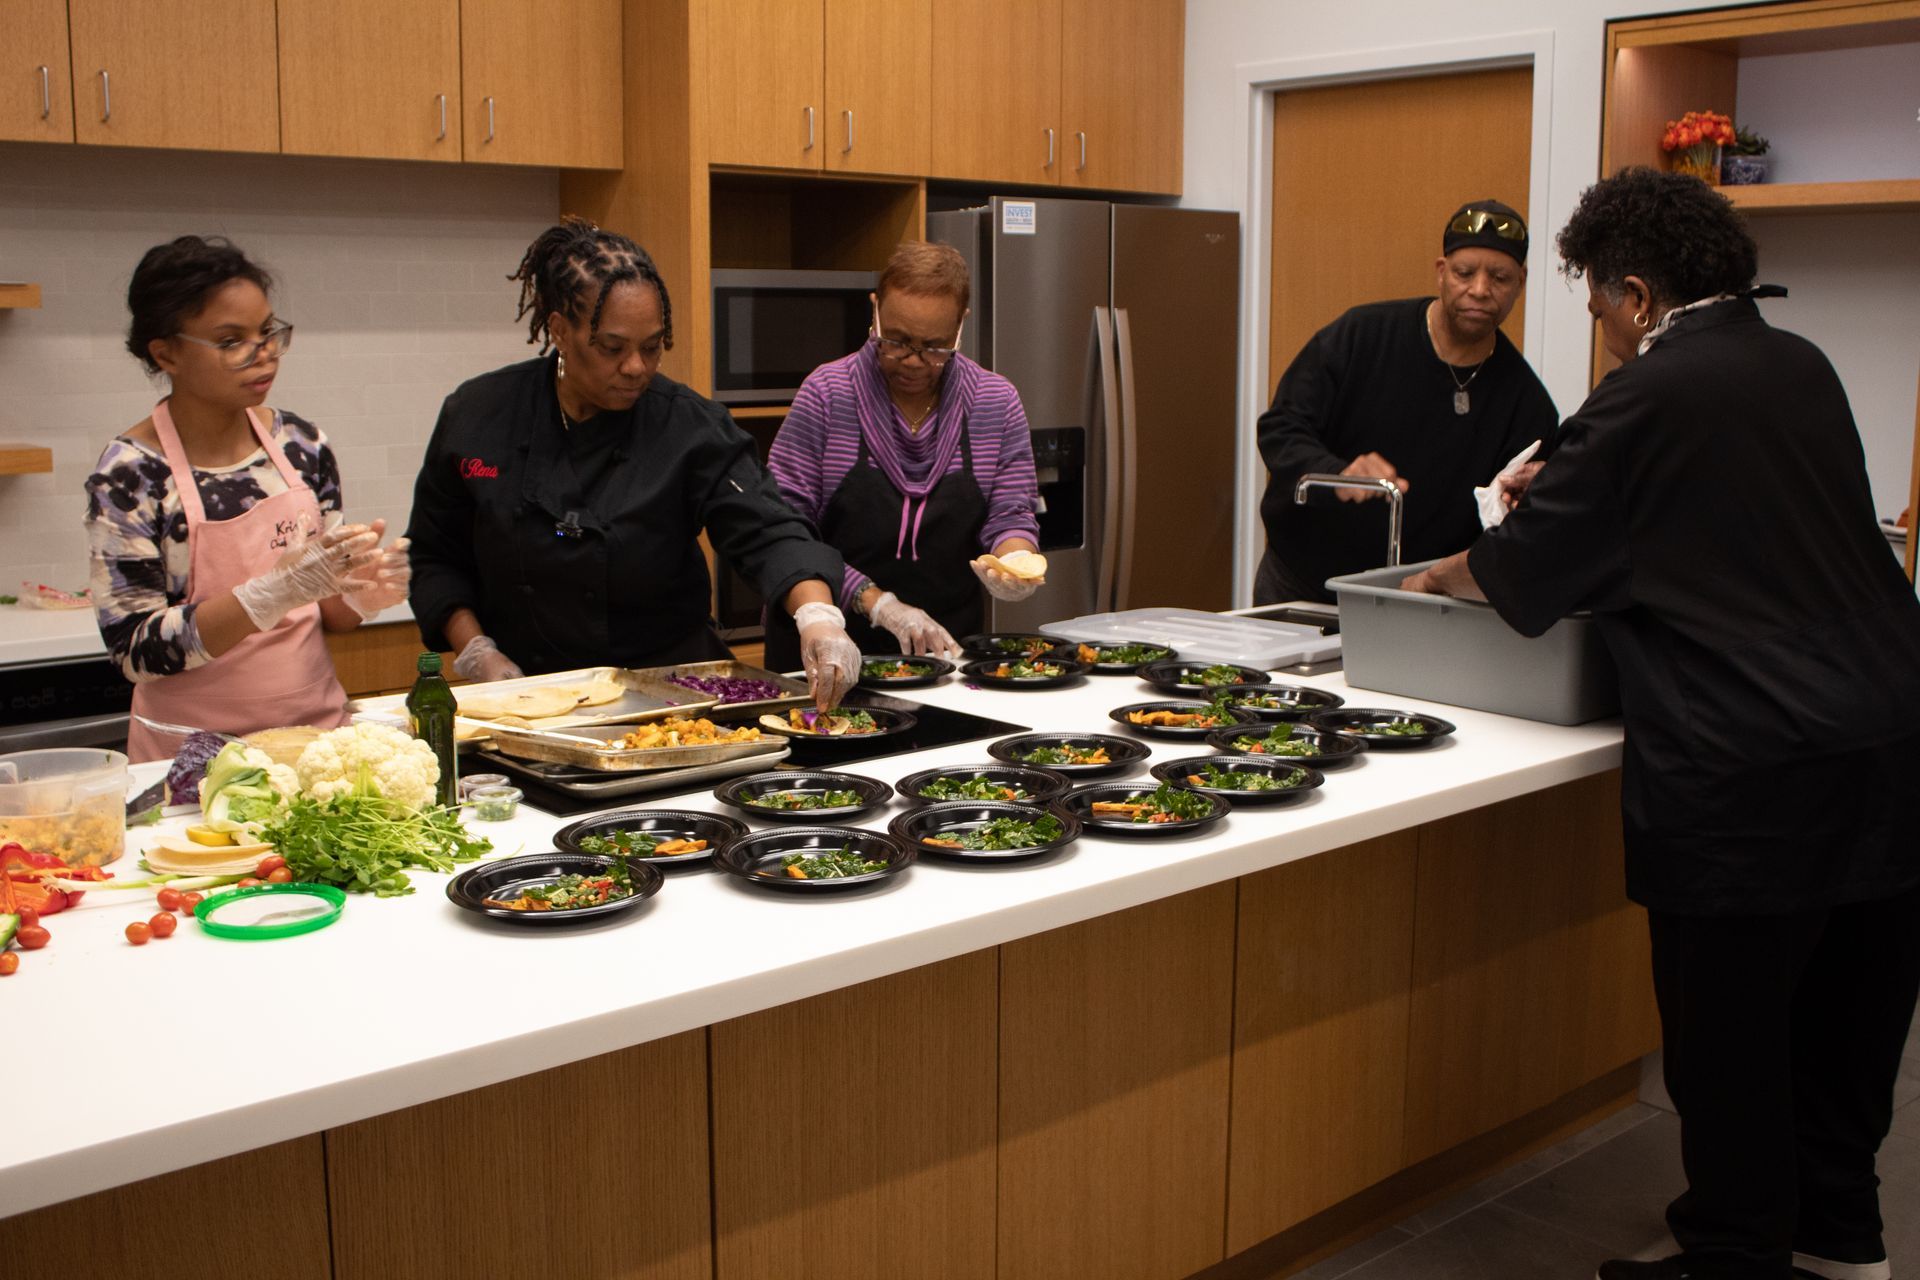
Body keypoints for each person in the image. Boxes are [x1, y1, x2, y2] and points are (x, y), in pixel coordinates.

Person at [1400, 168, 1920, 1280]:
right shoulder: (1798, 360)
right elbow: (1717, 518)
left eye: (1597, 302)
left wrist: (1437, 576)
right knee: (1844, 1023)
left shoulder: (1647, 391)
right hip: (1887, 734)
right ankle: (1841, 1241)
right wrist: (1583, 478)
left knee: (1731, 1040)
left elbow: (1523, 570)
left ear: (1636, 294)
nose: (1601, 326)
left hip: (1752, 767)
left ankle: (1734, 1255)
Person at [406, 217, 860, 708]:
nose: (636, 367)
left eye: (652, 347)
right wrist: (476, 649)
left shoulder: (689, 426)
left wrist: (818, 618)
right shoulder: (479, 415)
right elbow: (435, 556)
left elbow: (769, 531)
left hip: (671, 694)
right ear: (560, 331)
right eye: (612, 347)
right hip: (529, 694)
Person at [86, 236, 409, 763]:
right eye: (231, 340)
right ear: (166, 353)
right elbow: (135, 652)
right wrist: (267, 595)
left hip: (316, 746)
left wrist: (362, 595)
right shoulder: (131, 474)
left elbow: (330, 612)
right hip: (191, 762)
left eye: (268, 332)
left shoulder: (302, 446)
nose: (264, 354)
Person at [1255, 199, 1558, 603]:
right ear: (1441, 272)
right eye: (1465, 273)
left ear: (1521, 282)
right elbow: (1281, 427)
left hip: (1421, 603)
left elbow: (1513, 529)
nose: (1480, 290)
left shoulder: (1528, 404)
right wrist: (1338, 472)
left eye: (1499, 278)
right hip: (1301, 581)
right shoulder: (1361, 336)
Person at [762, 241, 1043, 665]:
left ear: (961, 326)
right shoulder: (827, 395)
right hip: (826, 646)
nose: (912, 361)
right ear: (875, 310)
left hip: (946, 653)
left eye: (935, 347)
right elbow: (786, 531)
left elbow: (1010, 513)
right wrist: (878, 603)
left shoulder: (994, 402)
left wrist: (1014, 560)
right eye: (896, 340)